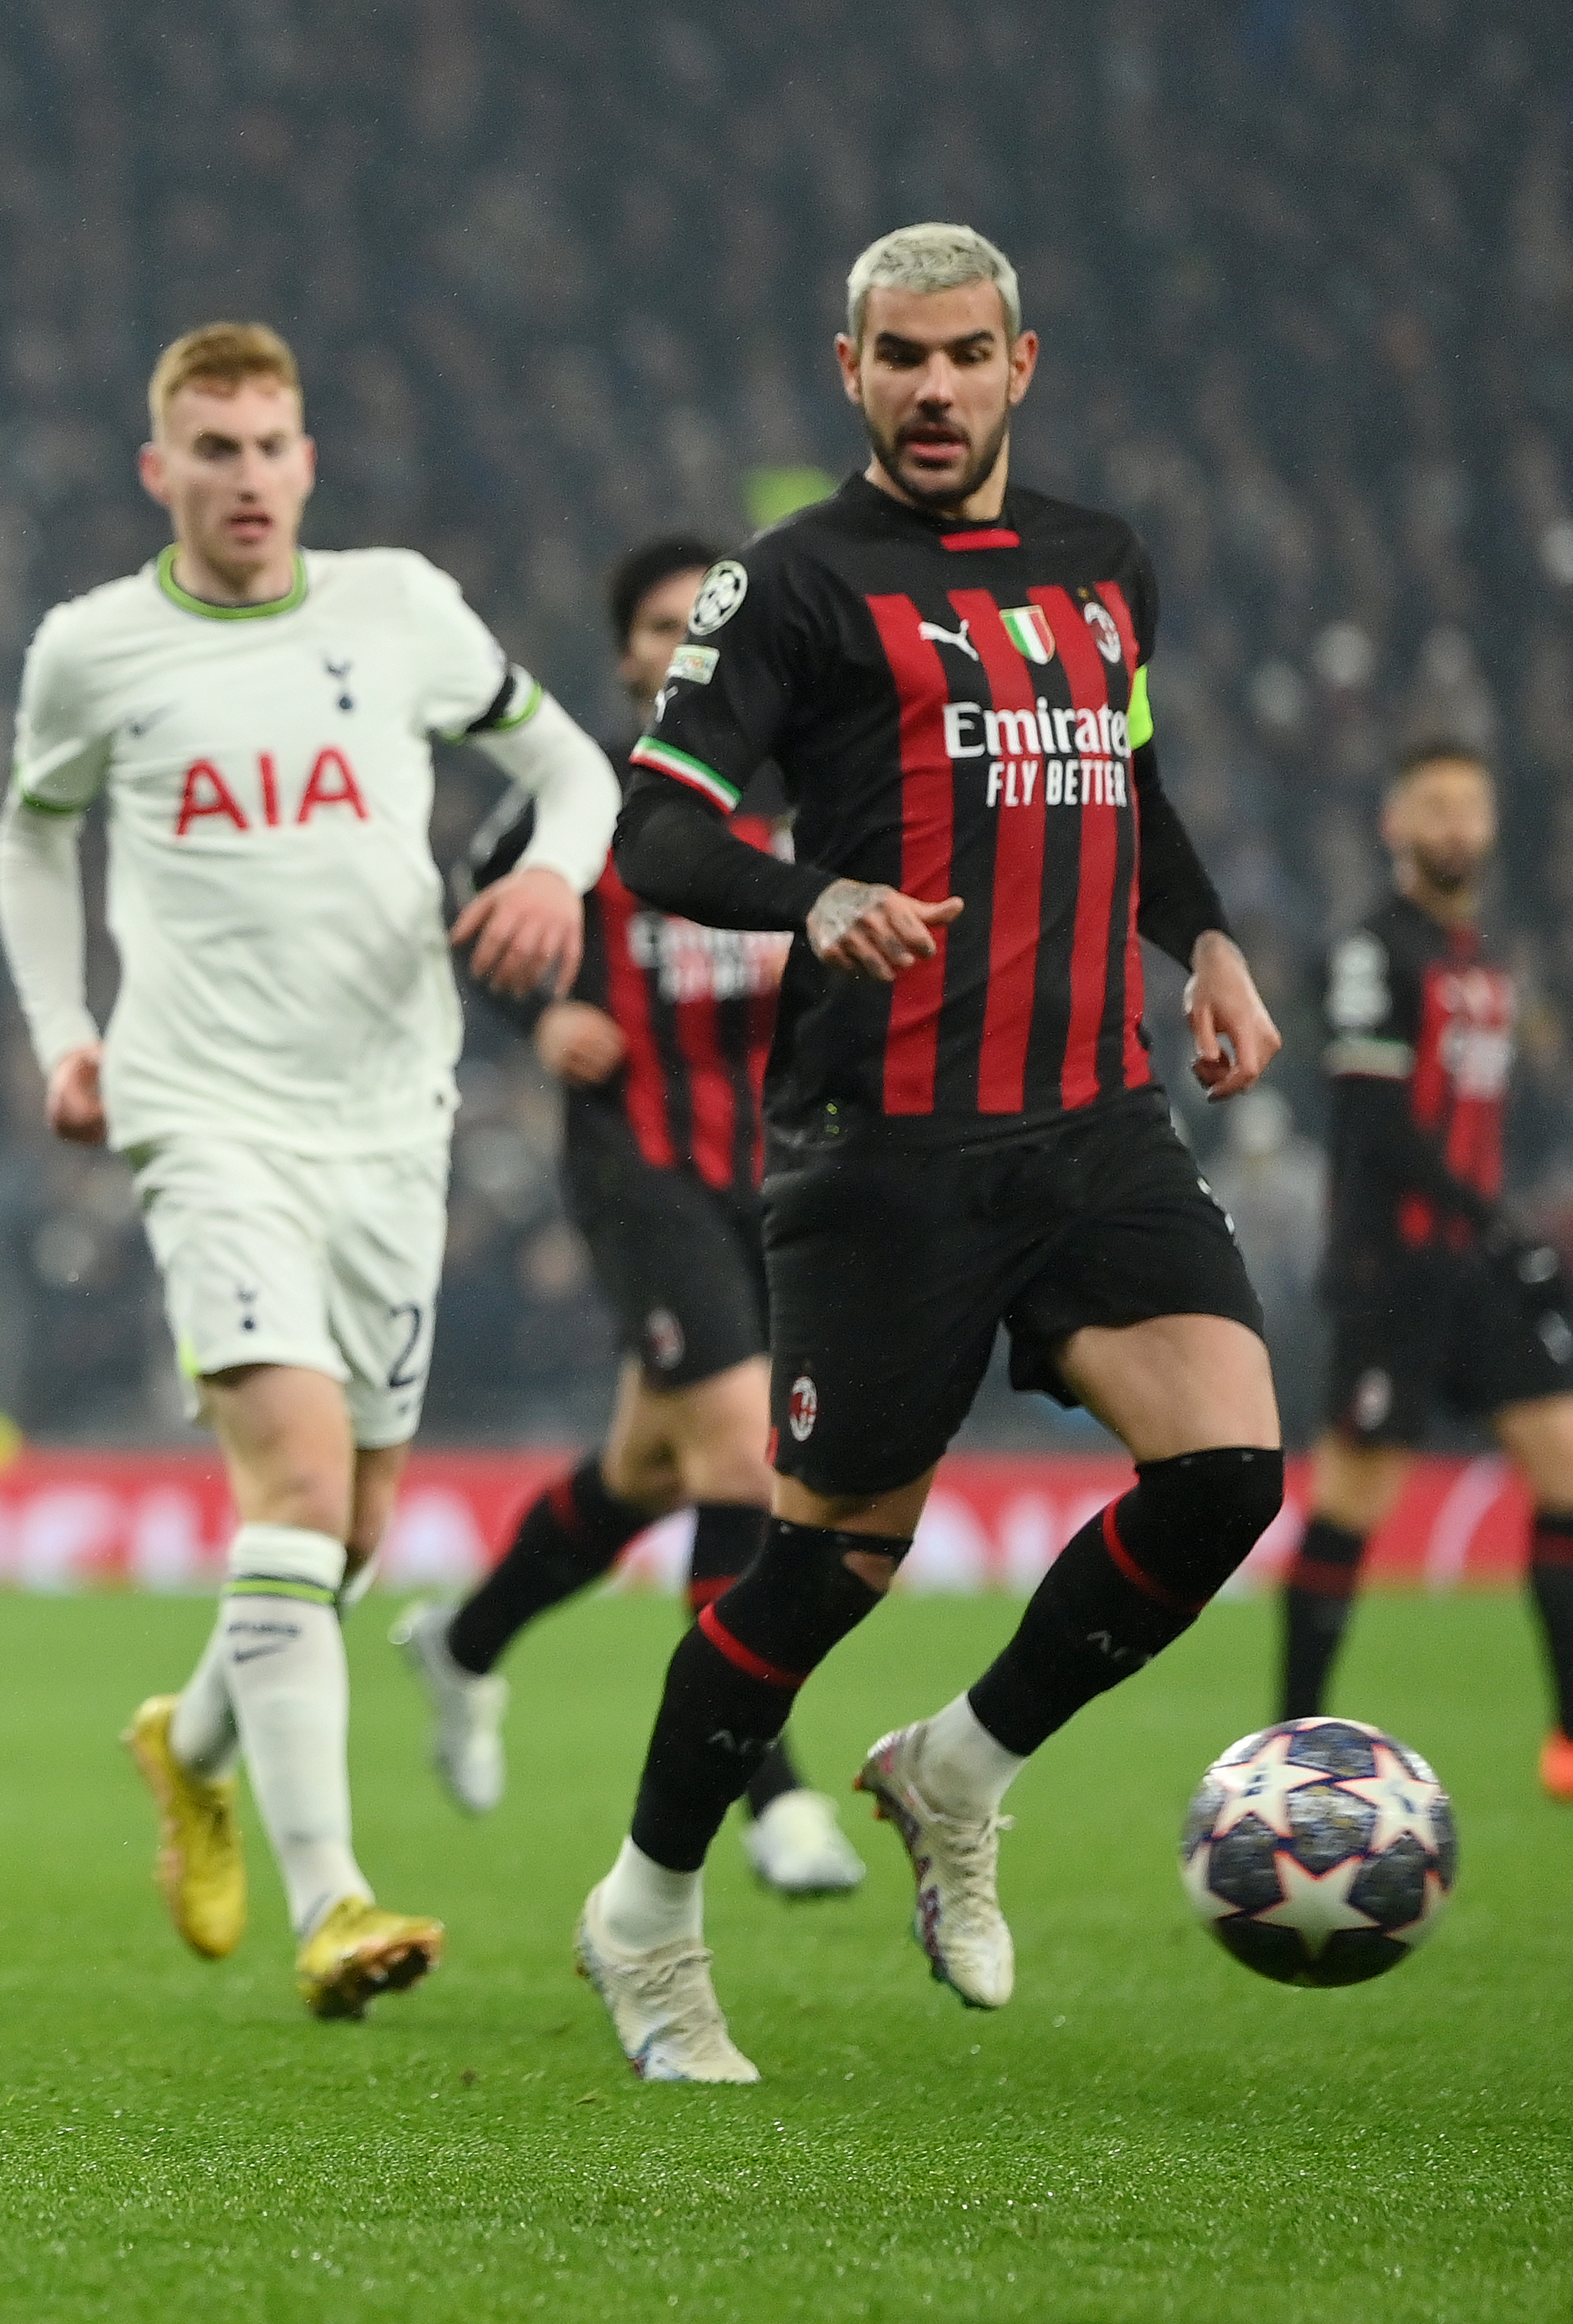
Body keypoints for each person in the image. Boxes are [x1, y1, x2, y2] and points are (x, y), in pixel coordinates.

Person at [586, 223, 1290, 2083]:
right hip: (882, 1145)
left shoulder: (1098, 566)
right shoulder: (793, 586)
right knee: (826, 1566)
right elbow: (654, 836)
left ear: (1017, 364)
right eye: (895, 356)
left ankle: (953, 1768)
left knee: (1224, 1468)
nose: (929, 386)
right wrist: (805, 893)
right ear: (849, 372)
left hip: (1086, 1116)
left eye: (961, 354)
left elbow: (1116, 780)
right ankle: (644, 1911)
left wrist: (1202, 938)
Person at [0, 323, 620, 2019]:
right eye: (211, 449)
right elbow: (30, 829)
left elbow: (570, 766)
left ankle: (183, 1748)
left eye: (269, 445)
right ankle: (331, 1896)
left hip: (388, 1120)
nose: (245, 477)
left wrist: (557, 878)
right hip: (202, 1118)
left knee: (343, 1532)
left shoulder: (399, 607)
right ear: (158, 471)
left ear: (306, 461)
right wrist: (65, 1027)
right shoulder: (92, 649)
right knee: (285, 1489)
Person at [390, 537, 863, 1898]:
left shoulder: (801, 791)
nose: (676, 647)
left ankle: (462, 1642)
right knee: (735, 1449)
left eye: (700, 624)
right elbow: (469, 910)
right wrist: (547, 1009)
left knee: (650, 1467)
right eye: (657, 625)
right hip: (631, 1169)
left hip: (774, 1175)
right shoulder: (586, 790)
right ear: (622, 654)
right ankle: (771, 1797)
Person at [1279, 744, 1573, 1803]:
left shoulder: (1481, 955)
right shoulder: (1368, 950)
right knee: (1354, 1493)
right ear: (1393, 822)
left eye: (1467, 807)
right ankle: (1285, 1745)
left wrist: (1494, 1226)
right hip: (1393, 1262)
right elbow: (1375, 1124)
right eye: (1430, 805)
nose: (1450, 826)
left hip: (1468, 1259)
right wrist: (1499, 1220)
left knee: (1568, 1461)